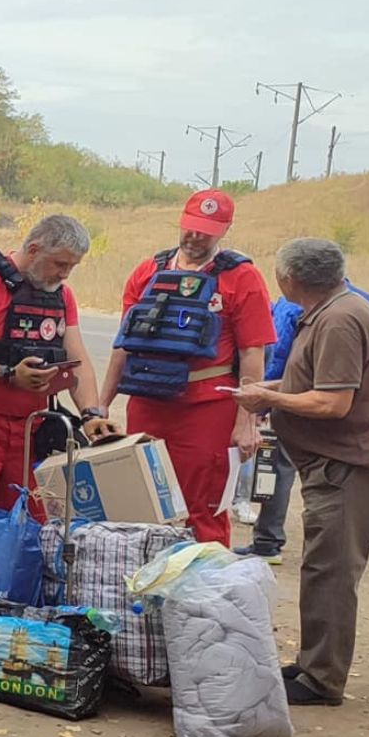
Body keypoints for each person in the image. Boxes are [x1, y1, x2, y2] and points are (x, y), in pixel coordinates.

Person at [0, 216, 115, 662]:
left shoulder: (61, 297)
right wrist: (6, 374)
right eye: (58, 264)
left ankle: (8, 615)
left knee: (26, 520)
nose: (64, 275)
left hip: (26, 424)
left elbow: (78, 359)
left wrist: (91, 414)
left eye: (72, 267)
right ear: (32, 250)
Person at [233, 239, 369, 708]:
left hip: (349, 463)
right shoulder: (332, 311)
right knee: (322, 565)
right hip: (335, 461)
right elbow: (316, 382)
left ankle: (322, 678)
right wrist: (271, 387)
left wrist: (270, 400)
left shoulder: (342, 318)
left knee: (332, 570)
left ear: (290, 279)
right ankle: (312, 662)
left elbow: (332, 401)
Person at [103, 188, 276, 546]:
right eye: (191, 226)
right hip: (149, 404)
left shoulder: (241, 278)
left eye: (207, 229)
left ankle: (204, 597)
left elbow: (253, 353)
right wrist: (100, 405)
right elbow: (122, 345)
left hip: (208, 409)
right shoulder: (148, 271)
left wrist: (247, 422)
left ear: (224, 230)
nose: (195, 235)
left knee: (203, 510)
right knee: (145, 505)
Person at [242, 277, 369, 564]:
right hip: (355, 416)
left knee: (278, 471)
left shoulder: (295, 305)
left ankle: (268, 540)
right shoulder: (367, 302)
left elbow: (279, 352)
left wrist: (263, 403)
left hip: (304, 405)